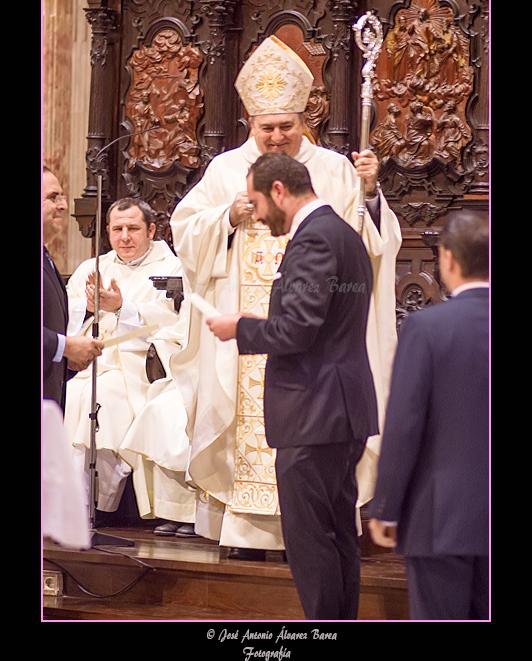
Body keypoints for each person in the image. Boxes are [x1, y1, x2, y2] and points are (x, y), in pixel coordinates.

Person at [167, 34, 401, 555]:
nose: (275, 138)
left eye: (286, 127)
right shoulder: (226, 169)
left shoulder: (336, 169)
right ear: (250, 124)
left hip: (313, 342)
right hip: (245, 317)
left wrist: (370, 194)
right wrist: (227, 215)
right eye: (265, 128)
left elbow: (370, 247)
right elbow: (184, 232)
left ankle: (316, 541)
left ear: (304, 121)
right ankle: (246, 534)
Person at [207, 153, 378, 619]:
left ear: (279, 190)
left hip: (314, 412)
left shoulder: (315, 240)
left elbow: (297, 330)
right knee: (337, 534)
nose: (258, 215)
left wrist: (239, 327)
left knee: (311, 542)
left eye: (259, 202)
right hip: (337, 409)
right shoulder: (341, 233)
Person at [368, 210, 489, 620]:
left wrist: (386, 506)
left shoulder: (427, 328)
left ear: (448, 259)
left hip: (439, 517)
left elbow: (405, 424)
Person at [64, 197, 192, 520]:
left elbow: (176, 324)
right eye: (117, 229)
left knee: (102, 394)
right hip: (89, 365)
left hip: (137, 370)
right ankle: (70, 504)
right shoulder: (94, 267)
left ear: (151, 230)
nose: (125, 237)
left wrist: (122, 308)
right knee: (74, 393)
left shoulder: (172, 268)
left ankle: (101, 506)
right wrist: (90, 307)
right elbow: (63, 312)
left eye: (133, 229)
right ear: (107, 231)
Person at [43, 166, 102, 412]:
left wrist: (66, 361)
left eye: (62, 197)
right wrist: (65, 347)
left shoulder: (46, 257)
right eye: (53, 197)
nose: (64, 206)